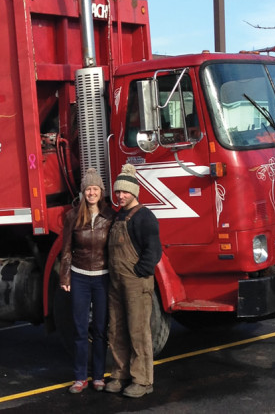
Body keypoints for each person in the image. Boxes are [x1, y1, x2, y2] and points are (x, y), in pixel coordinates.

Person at [105, 163, 162, 398]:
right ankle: (120, 374)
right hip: (116, 282)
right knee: (116, 329)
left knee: (138, 331)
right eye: (118, 192)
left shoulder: (144, 216)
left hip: (136, 282)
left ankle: (143, 380)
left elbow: (154, 250)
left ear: (134, 192)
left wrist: (141, 271)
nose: (120, 196)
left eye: (125, 192)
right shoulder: (118, 215)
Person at [59, 168, 114, 394]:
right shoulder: (72, 216)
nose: (91, 193)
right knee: (81, 330)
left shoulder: (110, 216)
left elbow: (114, 249)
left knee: (100, 330)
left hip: (102, 278)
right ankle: (80, 377)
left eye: (95, 189)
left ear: (101, 192)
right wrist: (65, 276)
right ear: (83, 192)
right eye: (88, 189)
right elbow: (66, 250)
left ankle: (99, 377)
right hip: (80, 277)